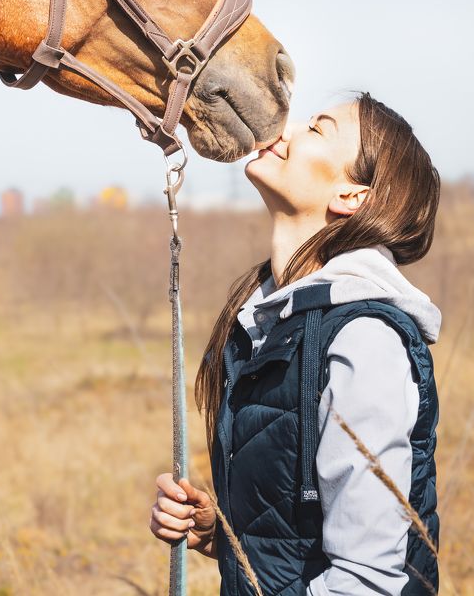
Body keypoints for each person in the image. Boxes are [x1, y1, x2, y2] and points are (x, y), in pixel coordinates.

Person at [149, 92, 441, 595]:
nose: (284, 129)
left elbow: (368, 580)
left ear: (352, 196)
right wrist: (223, 536)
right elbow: (303, 540)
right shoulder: (271, 324)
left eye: (317, 128)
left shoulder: (364, 339)